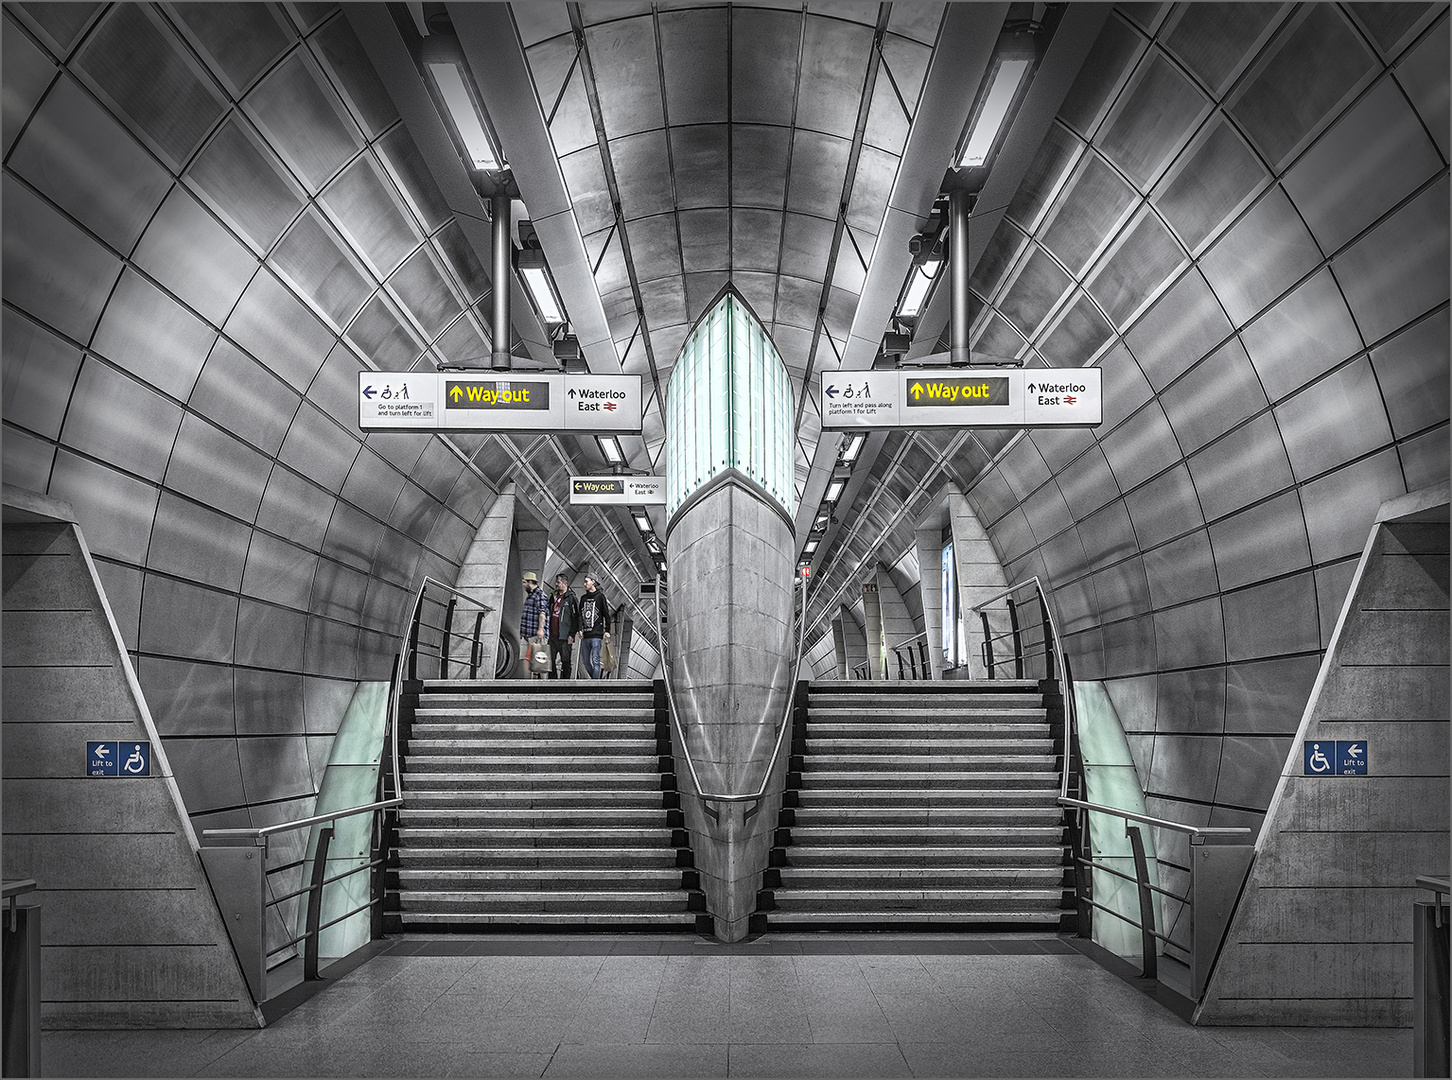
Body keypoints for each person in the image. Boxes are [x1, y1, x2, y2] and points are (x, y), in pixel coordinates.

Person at [577, 575, 611, 679]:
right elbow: (579, 615)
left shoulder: (600, 597)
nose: (585, 584)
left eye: (587, 581)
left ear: (593, 582)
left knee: (595, 660)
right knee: (586, 662)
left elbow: (606, 613)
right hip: (586, 634)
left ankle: (594, 684)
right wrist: (580, 628)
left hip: (596, 634)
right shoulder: (583, 598)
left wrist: (607, 630)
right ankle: (595, 681)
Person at [546, 573, 578, 679]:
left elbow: (576, 617)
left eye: (558, 582)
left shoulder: (571, 598)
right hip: (552, 636)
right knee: (550, 660)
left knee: (565, 661)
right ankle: (552, 683)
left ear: (564, 583)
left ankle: (565, 684)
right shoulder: (553, 597)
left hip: (564, 636)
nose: (556, 584)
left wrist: (572, 634)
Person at [520, 572, 550, 679]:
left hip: (536, 634)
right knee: (530, 659)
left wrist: (541, 629)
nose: (523, 585)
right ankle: (529, 684)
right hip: (529, 635)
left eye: (525, 582)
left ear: (530, 582)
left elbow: (542, 613)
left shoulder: (540, 595)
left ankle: (542, 685)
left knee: (540, 659)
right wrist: (522, 633)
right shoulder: (531, 596)